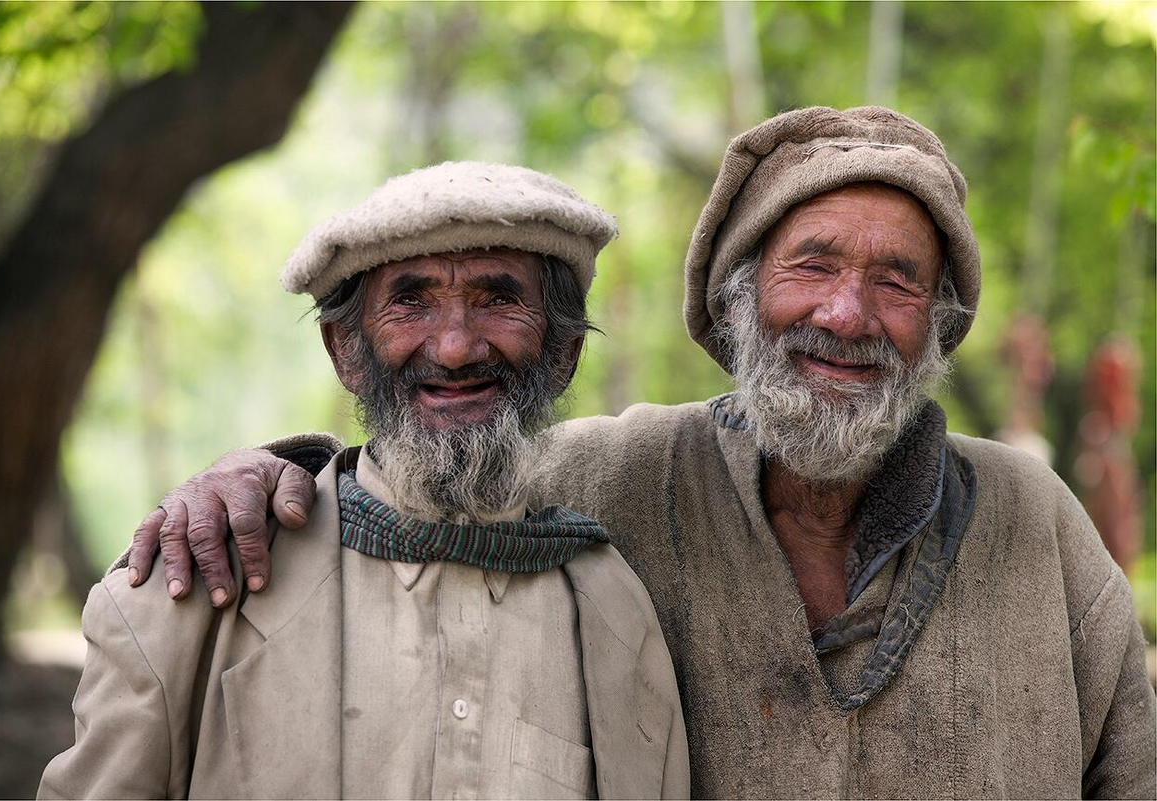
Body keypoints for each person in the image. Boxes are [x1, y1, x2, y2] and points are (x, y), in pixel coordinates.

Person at [127, 107, 1156, 798]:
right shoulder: (611, 480)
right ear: (738, 300)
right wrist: (268, 473)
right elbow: (431, 468)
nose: (847, 314)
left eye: (897, 281)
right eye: (811, 266)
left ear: (938, 323)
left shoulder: (1033, 520)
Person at [39, 162, 690, 800]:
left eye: (499, 300)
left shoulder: (612, 610)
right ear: (346, 352)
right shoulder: (196, 586)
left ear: (564, 353)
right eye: (411, 302)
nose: (455, 347)